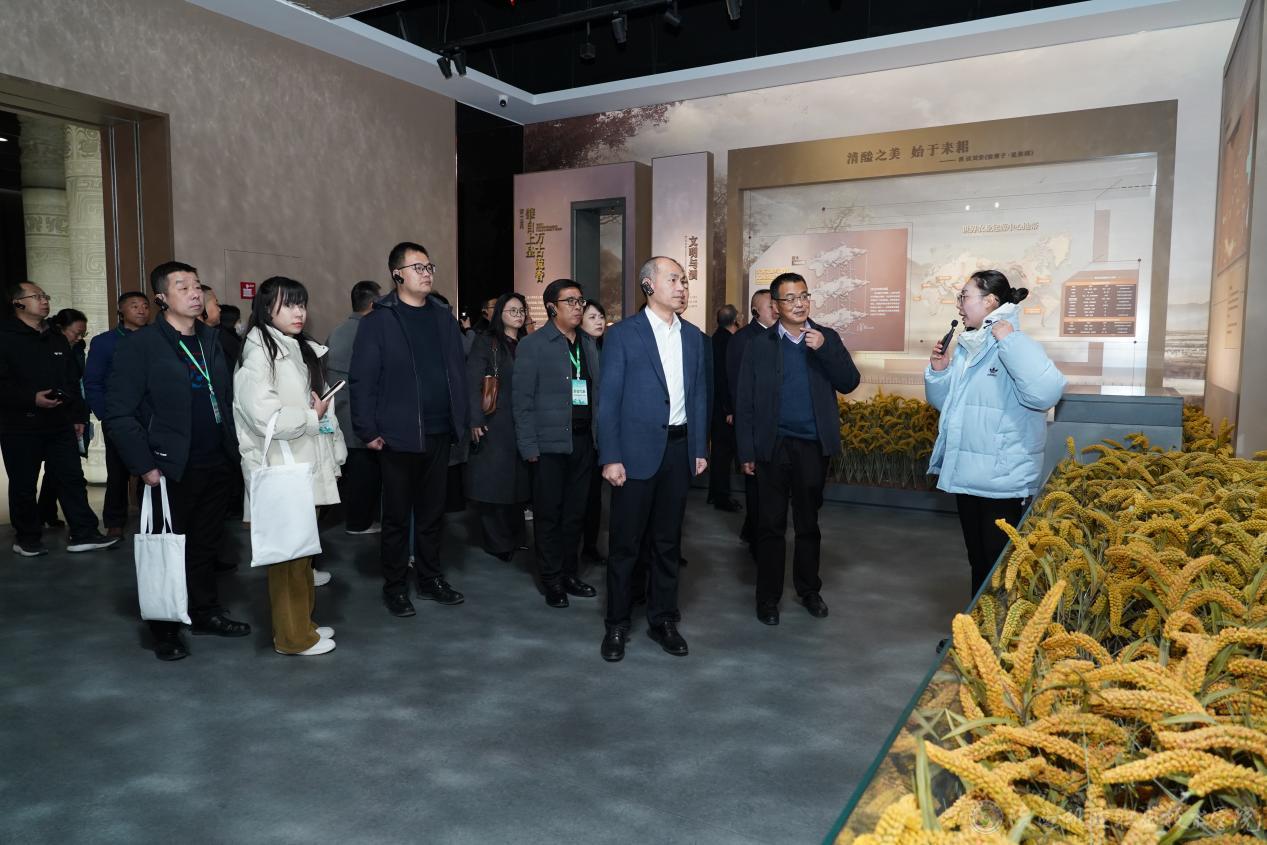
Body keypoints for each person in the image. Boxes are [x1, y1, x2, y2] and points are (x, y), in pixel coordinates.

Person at [105, 261, 251, 661]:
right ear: (161, 298)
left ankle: (204, 612)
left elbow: (224, 398)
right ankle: (164, 628)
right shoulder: (142, 345)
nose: (194, 292)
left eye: (197, 285)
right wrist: (145, 465)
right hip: (168, 466)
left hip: (215, 460)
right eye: (182, 286)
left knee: (206, 546)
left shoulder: (211, 338)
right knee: (166, 549)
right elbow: (118, 412)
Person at [925, 269, 1066, 598]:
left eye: (964, 296)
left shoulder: (1014, 342)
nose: (959, 304)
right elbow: (948, 406)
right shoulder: (969, 346)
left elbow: (1046, 393)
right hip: (968, 475)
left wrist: (1010, 341)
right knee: (978, 561)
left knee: (1000, 569)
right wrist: (939, 371)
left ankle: (1000, 628)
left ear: (989, 301)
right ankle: (977, 626)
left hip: (1002, 481)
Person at [596, 257, 708, 661]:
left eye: (684, 281)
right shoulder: (623, 335)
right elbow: (608, 400)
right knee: (625, 545)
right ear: (648, 285)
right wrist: (611, 456)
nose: (682, 287)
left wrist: (698, 448)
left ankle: (663, 620)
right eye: (673, 279)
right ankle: (617, 624)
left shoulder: (694, 337)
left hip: (678, 451)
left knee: (667, 542)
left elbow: (699, 396)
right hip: (633, 454)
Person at [349, 242, 468, 618]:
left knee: (433, 514)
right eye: (418, 267)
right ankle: (396, 586)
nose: (427, 273)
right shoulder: (379, 321)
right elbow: (362, 380)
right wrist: (366, 429)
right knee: (397, 517)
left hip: (439, 431)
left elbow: (458, 373)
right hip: (397, 435)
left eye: (429, 266)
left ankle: (430, 579)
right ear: (397, 274)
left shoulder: (443, 318)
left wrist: (463, 420)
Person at [736, 273, 860, 626]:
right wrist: (746, 451)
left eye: (804, 296)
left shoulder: (825, 338)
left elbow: (849, 382)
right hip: (772, 447)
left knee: (808, 523)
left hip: (812, 446)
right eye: (790, 298)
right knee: (770, 525)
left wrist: (825, 349)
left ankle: (809, 590)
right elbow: (744, 400)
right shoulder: (759, 345)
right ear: (775, 306)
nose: (799, 303)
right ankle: (768, 598)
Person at [234, 276, 347, 656]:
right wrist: (313, 416)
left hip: (300, 465)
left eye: (301, 304)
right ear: (267, 309)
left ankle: (303, 627)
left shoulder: (292, 347)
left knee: (302, 554)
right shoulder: (259, 353)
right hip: (283, 467)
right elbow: (264, 418)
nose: (299, 312)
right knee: (288, 559)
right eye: (288, 305)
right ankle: (292, 638)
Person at [0, 284, 117, 557]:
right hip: (19, 424)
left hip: (60, 421)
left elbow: (71, 380)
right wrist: (31, 398)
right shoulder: (5, 336)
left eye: (46, 297)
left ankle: (84, 533)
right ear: (18, 303)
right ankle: (27, 538)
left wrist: (77, 415)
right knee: (24, 484)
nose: (44, 301)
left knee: (71, 478)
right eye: (37, 297)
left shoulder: (55, 337)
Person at [513, 279, 600, 608]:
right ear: (552, 308)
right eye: (571, 302)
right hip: (548, 445)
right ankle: (551, 579)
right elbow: (521, 402)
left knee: (575, 514)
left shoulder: (587, 343)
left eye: (581, 301)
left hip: (583, 441)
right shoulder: (533, 345)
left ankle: (569, 573)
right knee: (549, 515)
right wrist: (528, 447)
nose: (578, 307)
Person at [466, 292, 530, 562]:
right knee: (494, 484)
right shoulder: (487, 342)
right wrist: (475, 419)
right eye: (512, 310)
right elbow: (472, 381)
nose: (518, 314)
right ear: (499, 314)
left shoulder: (527, 343)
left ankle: (516, 537)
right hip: (495, 421)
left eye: (521, 310)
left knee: (519, 482)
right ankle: (497, 542)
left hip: (522, 421)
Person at [84, 291, 151, 537]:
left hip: (152, 416)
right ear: (121, 311)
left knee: (152, 470)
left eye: (145, 306)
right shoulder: (104, 342)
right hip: (119, 416)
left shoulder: (157, 338)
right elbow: (93, 381)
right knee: (118, 472)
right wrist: (106, 414)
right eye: (134, 306)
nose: (142, 310)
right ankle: (114, 521)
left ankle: (150, 520)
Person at [327, 280, 382, 535]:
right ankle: (359, 524)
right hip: (361, 418)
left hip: (337, 415)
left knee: (347, 473)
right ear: (373, 303)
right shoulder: (371, 332)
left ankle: (349, 519)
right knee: (364, 474)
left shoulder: (336, 331)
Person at [727, 288, 777, 552]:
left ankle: (753, 530)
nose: (776, 310)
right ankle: (758, 540)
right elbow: (738, 386)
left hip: (773, 426)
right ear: (756, 311)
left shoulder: (779, 335)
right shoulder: (743, 339)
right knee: (756, 486)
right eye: (770, 306)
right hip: (753, 425)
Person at [37, 308, 90, 528]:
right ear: (60, 329)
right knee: (59, 469)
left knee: (58, 469)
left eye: (83, 334)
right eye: (76, 333)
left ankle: (46, 512)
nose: (79, 338)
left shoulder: (77, 349)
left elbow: (77, 383)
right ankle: (38, 519)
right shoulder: (45, 345)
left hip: (73, 412)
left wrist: (80, 416)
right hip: (49, 414)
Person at [579, 299, 607, 563]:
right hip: (584, 433)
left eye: (601, 317)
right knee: (582, 494)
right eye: (592, 317)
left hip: (600, 434)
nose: (599, 321)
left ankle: (590, 545)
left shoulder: (604, 347)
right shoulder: (578, 349)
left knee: (594, 496)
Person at [708, 303, 742, 512]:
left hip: (716, 407)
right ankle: (721, 497)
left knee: (719, 454)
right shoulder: (729, 342)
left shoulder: (714, 339)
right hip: (724, 409)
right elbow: (725, 378)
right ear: (735, 320)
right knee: (723, 455)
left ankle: (715, 494)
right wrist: (729, 409)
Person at [216, 303, 243, 369]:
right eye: (239, 321)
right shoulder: (228, 340)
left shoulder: (221, 334)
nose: (240, 324)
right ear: (229, 321)